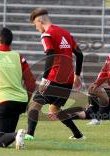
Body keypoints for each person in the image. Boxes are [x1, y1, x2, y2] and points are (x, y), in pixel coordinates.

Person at [25, 8, 84, 140]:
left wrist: (45, 79)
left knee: (34, 106)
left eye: (35, 25)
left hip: (54, 78)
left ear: (40, 21)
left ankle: (29, 135)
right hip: (67, 81)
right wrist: (77, 76)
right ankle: (78, 135)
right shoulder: (66, 33)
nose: (36, 28)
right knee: (54, 110)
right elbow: (79, 55)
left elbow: (50, 54)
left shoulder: (47, 35)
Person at [0, 27, 36, 149]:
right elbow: (31, 82)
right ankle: (17, 136)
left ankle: (18, 133)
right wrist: (26, 99)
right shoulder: (19, 57)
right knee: (7, 139)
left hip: (1, 101)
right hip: (19, 102)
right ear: (11, 41)